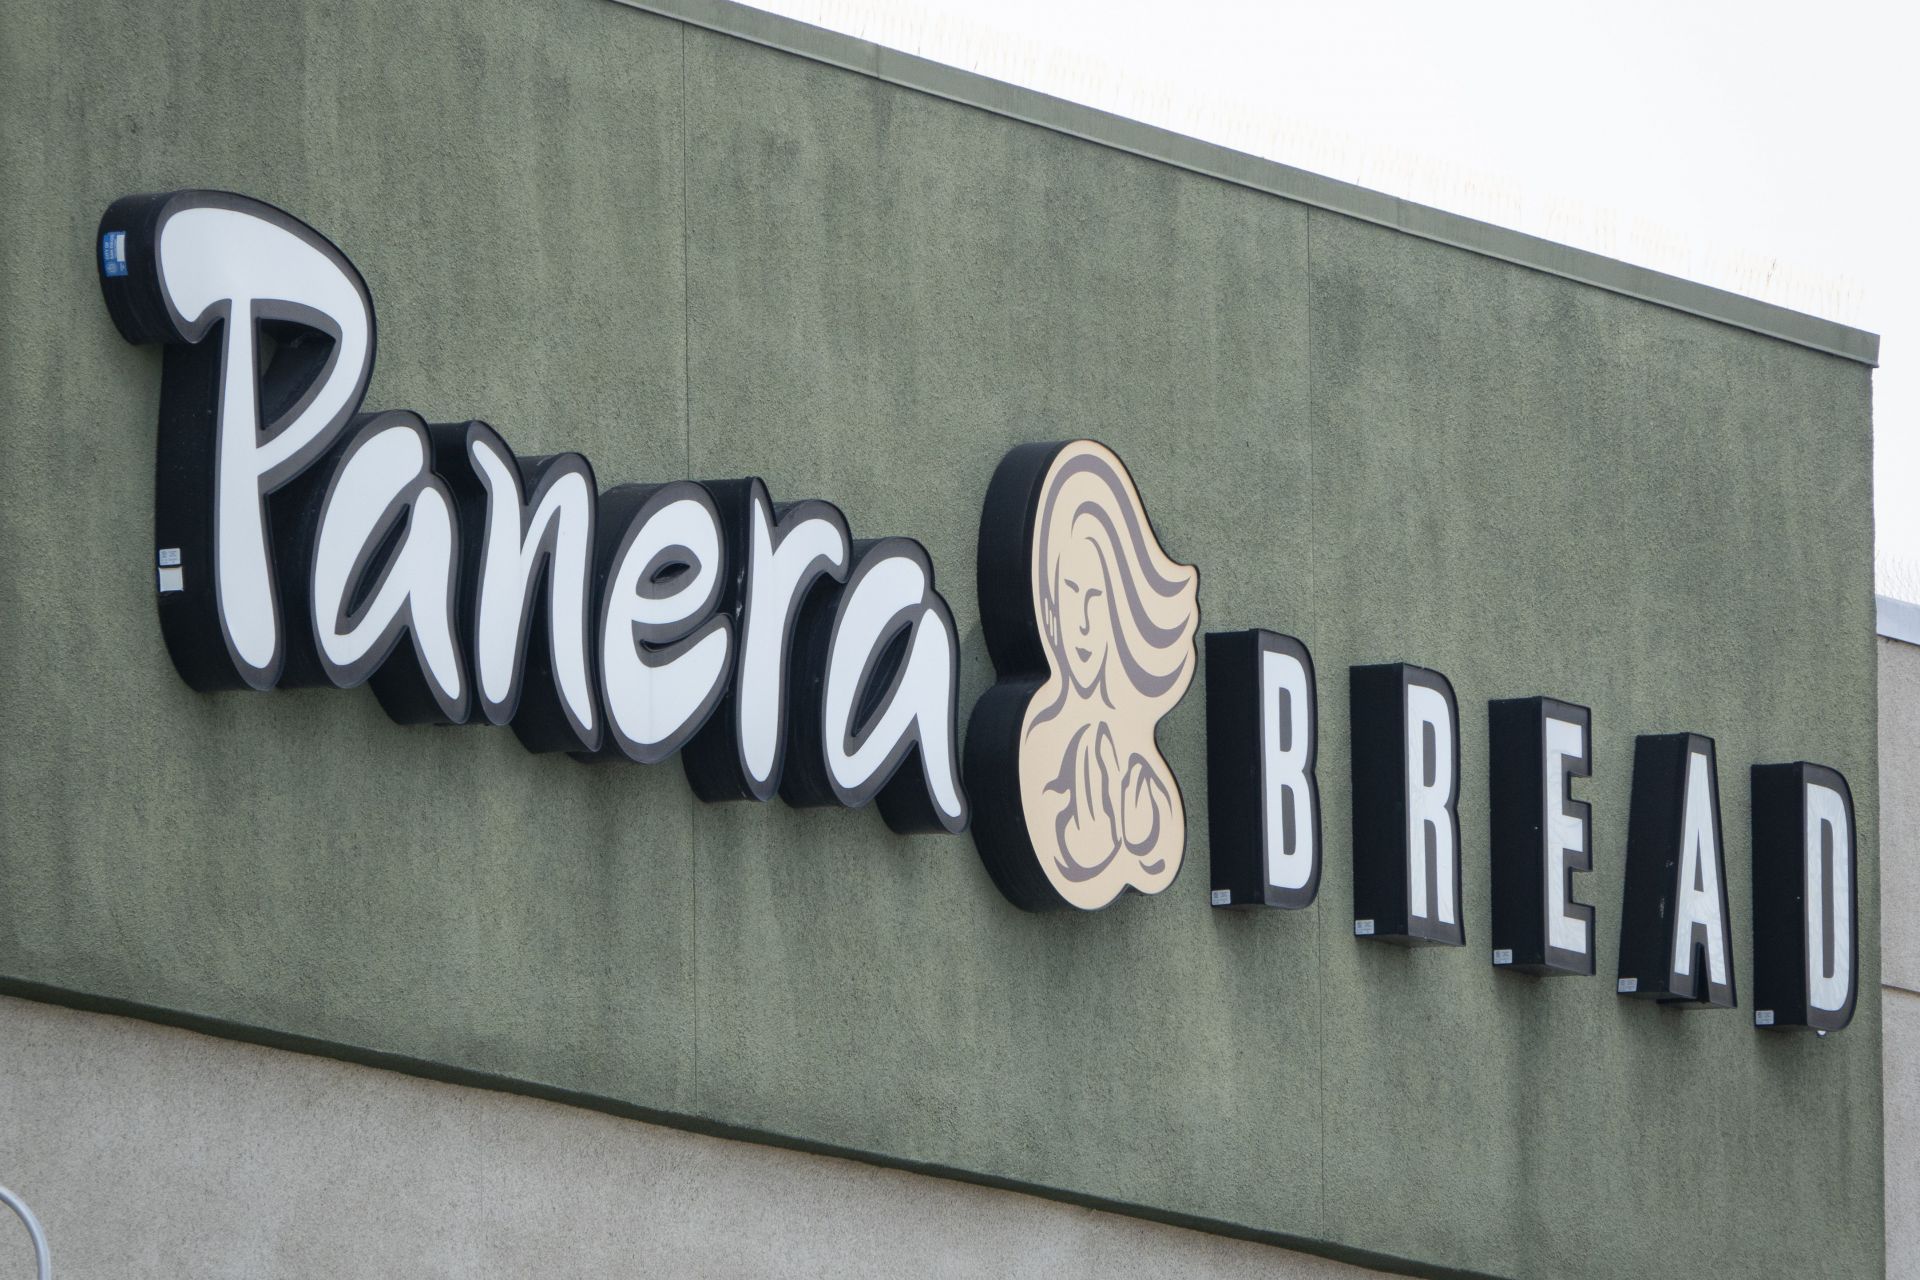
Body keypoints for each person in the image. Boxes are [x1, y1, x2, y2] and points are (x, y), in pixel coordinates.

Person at [1018, 441, 1199, 909]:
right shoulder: (1035, 744)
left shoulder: (1140, 766)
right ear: (1050, 608)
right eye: (1071, 593)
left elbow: (1155, 856)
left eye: (1096, 599)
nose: (1082, 623)